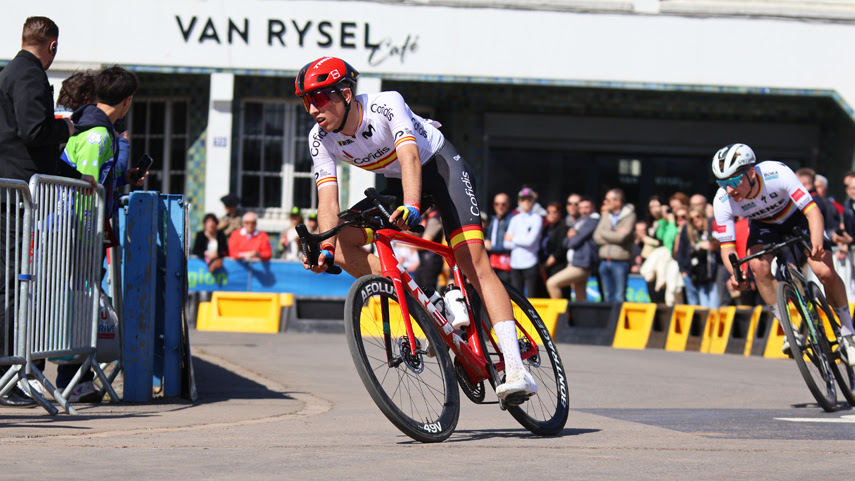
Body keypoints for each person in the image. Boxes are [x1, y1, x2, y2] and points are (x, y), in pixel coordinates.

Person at [295, 56, 538, 400]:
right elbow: (328, 203)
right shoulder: (320, 138)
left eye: (319, 98)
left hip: (439, 169)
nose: (312, 109)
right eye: (306, 101)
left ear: (346, 94)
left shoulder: (385, 104)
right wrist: (325, 248)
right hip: (397, 183)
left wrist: (411, 205)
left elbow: (410, 158)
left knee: (473, 262)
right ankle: (430, 302)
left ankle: (516, 369)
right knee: (344, 237)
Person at [0, 17, 95, 408]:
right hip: (17, 191)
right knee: (13, 283)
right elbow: (34, 133)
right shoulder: (29, 75)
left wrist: (73, 174)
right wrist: (67, 129)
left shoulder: (12, 70)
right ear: (52, 46)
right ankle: (9, 375)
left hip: (17, 186)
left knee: (13, 281)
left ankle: (11, 372)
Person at [712, 143, 855, 364]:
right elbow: (727, 247)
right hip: (765, 227)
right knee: (757, 267)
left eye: (733, 181)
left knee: (823, 271)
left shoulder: (775, 173)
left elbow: (812, 210)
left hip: (798, 218)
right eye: (722, 183)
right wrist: (736, 275)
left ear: (751, 173)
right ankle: (790, 331)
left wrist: (817, 240)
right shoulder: (722, 200)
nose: (729, 189)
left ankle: (848, 332)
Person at [60, 65, 144, 402]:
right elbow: (88, 186)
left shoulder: (93, 126)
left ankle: (75, 377)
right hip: (79, 232)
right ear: (126, 101)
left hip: (80, 230)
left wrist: (124, 179)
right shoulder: (97, 134)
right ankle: (74, 380)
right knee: (79, 304)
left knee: (78, 303)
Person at [546, 197, 599, 301]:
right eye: (581, 208)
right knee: (581, 297)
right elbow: (565, 242)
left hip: (581, 265)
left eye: (587, 207)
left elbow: (574, 241)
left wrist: (572, 237)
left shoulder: (593, 220)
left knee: (552, 283)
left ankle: (560, 314)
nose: (584, 210)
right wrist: (572, 237)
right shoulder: (580, 221)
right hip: (576, 263)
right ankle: (582, 317)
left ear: (593, 207)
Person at [593, 188, 636, 302]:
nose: (605, 202)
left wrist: (604, 233)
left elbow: (622, 238)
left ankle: (619, 320)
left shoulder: (630, 215)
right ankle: (609, 320)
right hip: (604, 261)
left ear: (618, 202)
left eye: (608, 200)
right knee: (607, 296)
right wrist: (614, 235)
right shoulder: (606, 215)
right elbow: (596, 236)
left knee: (620, 296)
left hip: (620, 261)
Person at [676, 206, 719, 307]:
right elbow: (681, 252)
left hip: (713, 274)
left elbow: (720, 246)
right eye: (692, 219)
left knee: (713, 306)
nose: (695, 220)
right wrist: (683, 271)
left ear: (703, 216)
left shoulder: (711, 227)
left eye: (698, 216)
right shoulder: (690, 232)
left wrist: (711, 245)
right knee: (701, 307)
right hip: (697, 275)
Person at [503, 188, 543, 298]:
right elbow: (506, 243)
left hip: (530, 262)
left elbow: (530, 242)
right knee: (517, 297)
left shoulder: (537, 218)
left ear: (533, 202)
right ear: (519, 202)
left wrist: (513, 238)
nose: (526, 202)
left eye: (529, 199)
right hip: (515, 263)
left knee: (531, 298)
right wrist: (522, 239)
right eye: (523, 199)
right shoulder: (514, 219)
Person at [538, 201, 569, 297]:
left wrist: (545, 265)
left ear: (560, 214)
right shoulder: (546, 229)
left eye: (554, 212)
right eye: (548, 212)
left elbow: (560, 249)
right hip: (546, 267)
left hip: (558, 266)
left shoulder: (564, 228)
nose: (551, 215)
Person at [484, 193, 514, 284]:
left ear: (508, 205)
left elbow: (511, 243)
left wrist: (492, 247)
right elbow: (488, 238)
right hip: (493, 263)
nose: (500, 207)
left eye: (503, 204)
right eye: (497, 204)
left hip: (507, 265)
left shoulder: (513, 220)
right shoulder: (493, 220)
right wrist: (486, 241)